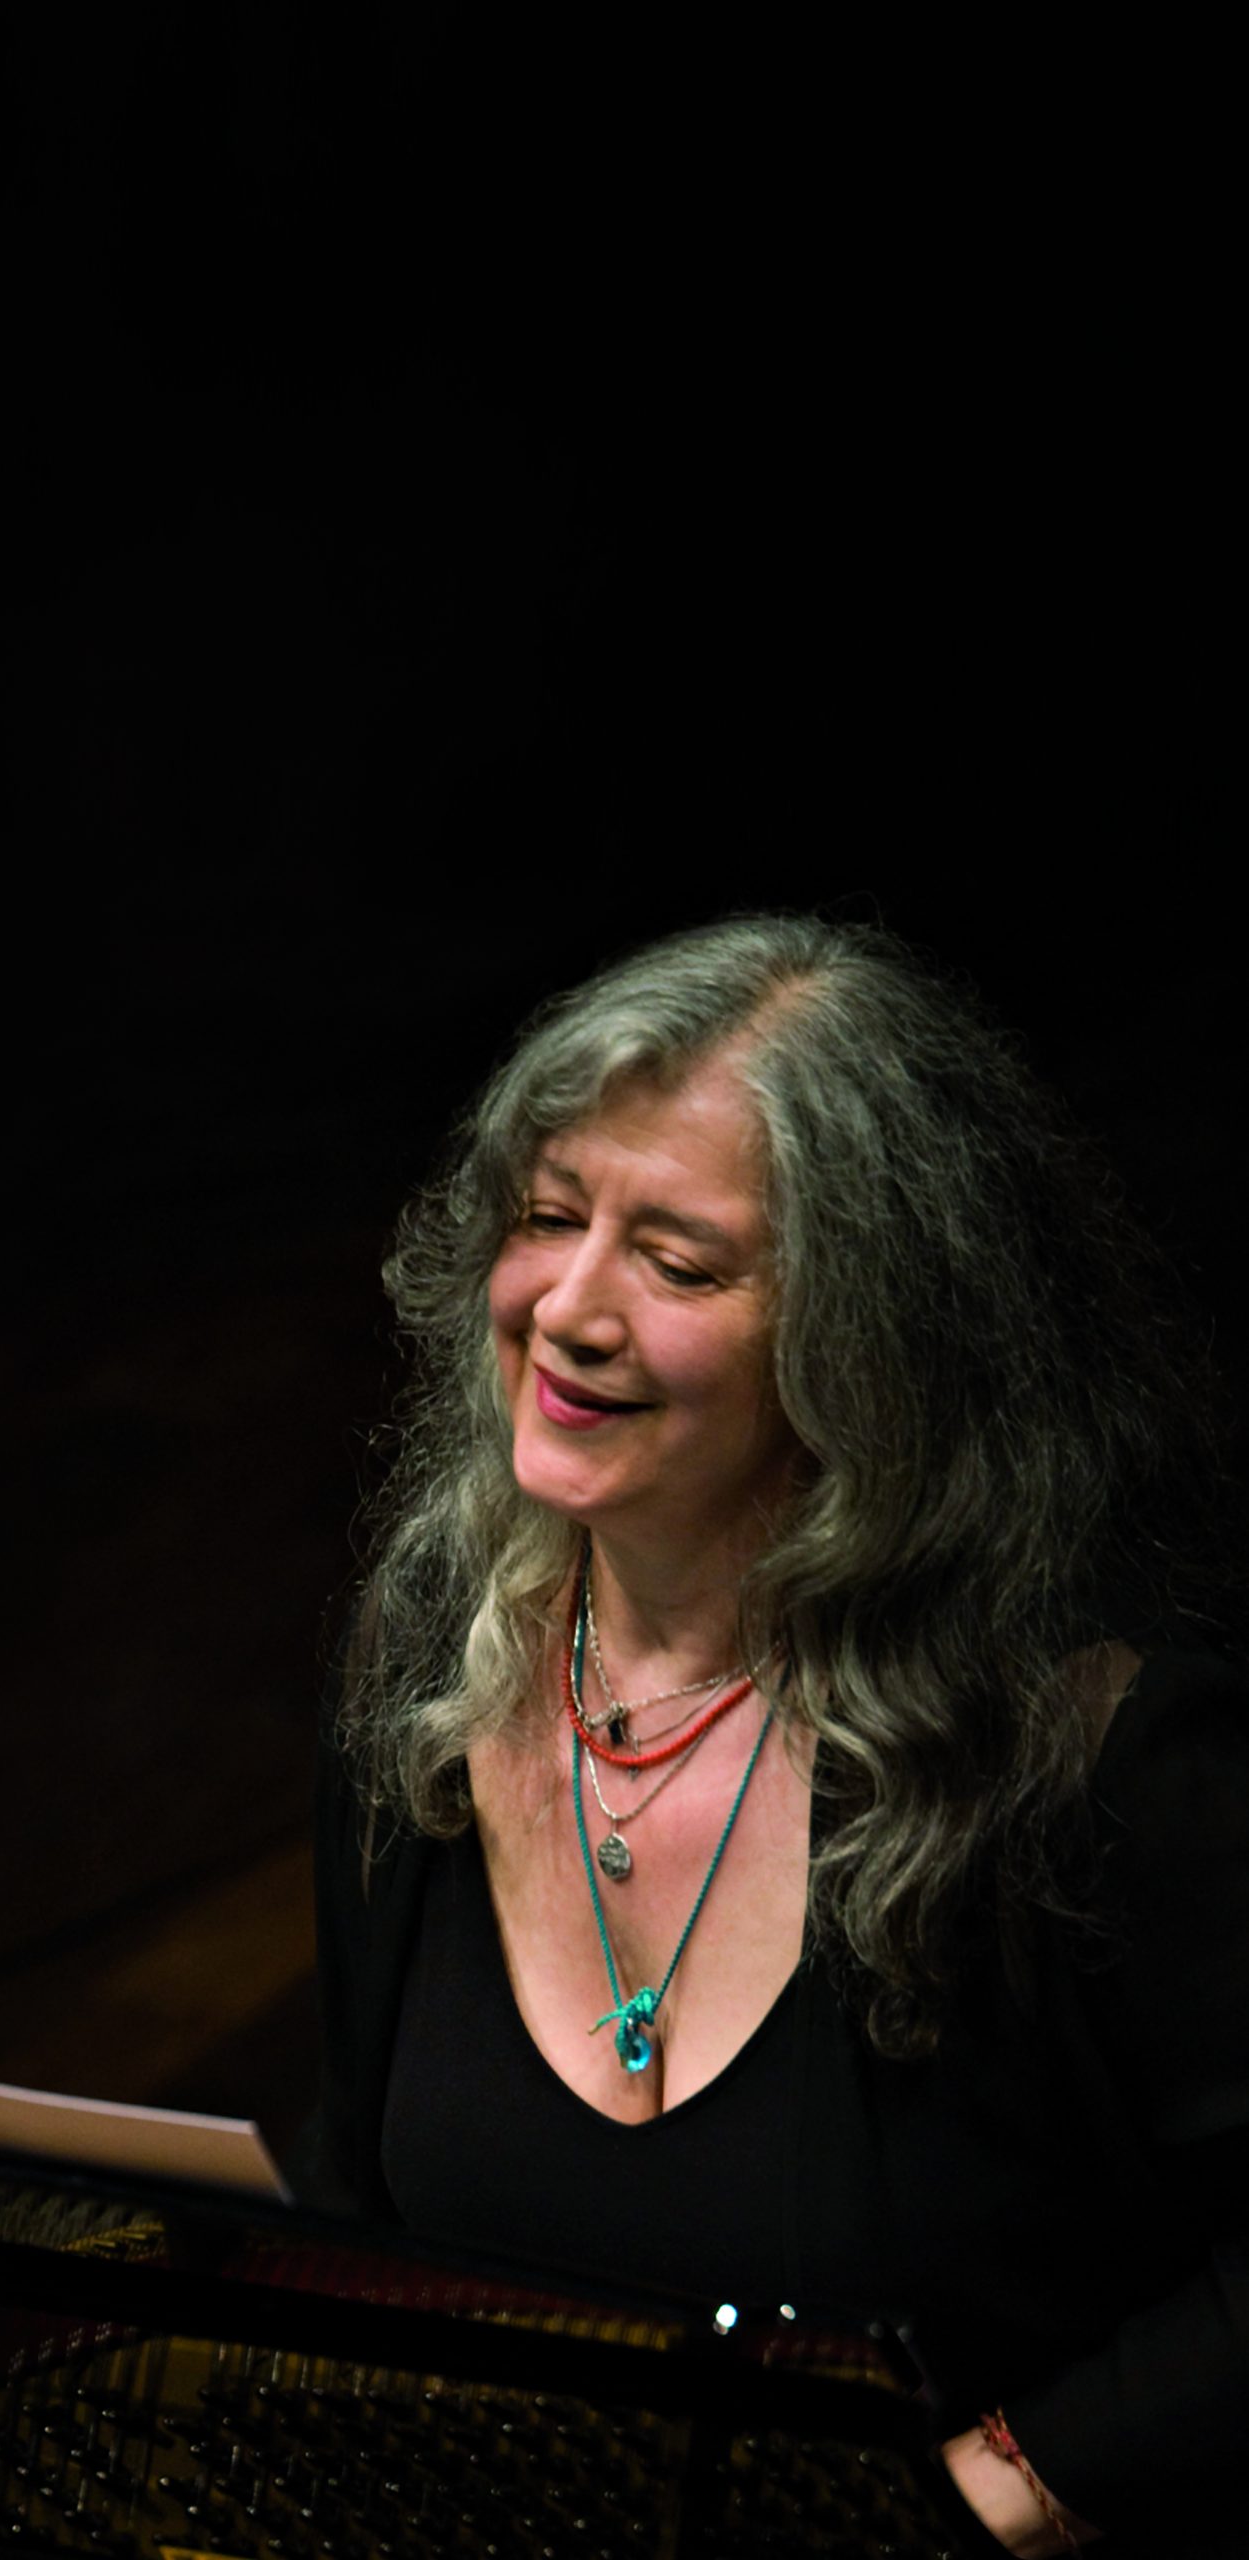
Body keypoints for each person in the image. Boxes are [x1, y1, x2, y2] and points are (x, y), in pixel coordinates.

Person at [296, 914, 1248, 2558]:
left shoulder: (1096, 1762)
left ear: (864, 1337)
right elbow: (365, 2207)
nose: (567, 1308)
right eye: (549, 1218)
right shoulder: (426, 1679)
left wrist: (979, 2498)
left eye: (678, 1263)